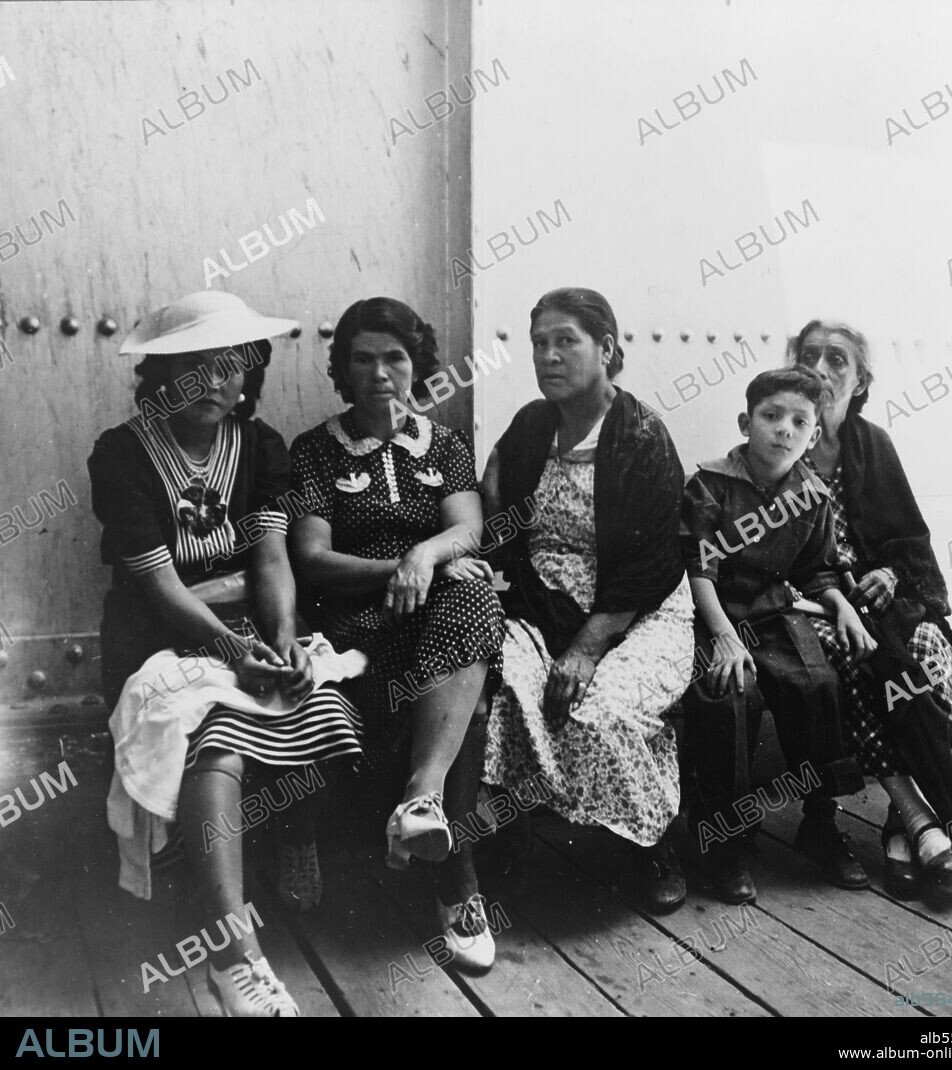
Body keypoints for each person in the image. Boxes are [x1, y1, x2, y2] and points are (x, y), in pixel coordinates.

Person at [90, 291, 364, 1017]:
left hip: (250, 624)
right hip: (160, 633)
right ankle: (233, 955)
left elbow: (273, 559)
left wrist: (279, 639)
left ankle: (294, 830)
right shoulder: (122, 454)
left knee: (312, 689)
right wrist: (234, 650)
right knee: (216, 738)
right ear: (161, 374)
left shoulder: (260, 446)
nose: (217, 382)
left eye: (232, 367)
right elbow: (156, 583)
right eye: (197, 367)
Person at [288, 297, 504, 970]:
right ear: (343, 369)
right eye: (362, 358)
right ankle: (456, 884)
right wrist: (395, 568)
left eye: (395, 357)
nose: (380, 372)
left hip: (435, 615)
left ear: (419, 366)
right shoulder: (316, 451)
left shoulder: (442, 445)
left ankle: (420, 801)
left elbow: (468, 528)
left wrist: (424, 557)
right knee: (461, 701)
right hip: (356, 625)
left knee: (467, 590)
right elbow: (311, 556)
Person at [481, 287, 695, 913]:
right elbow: (500, 503)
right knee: (511, 690)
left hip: (637, 611)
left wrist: (585, 649)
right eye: (539, 343)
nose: (549, 356)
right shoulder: (530, 425)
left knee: (598, 708)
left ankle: (650, 841)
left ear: (606, 348)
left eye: (565, 340)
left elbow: (652, 564)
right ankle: (510, 838)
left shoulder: (642, 436)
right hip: (542, 602)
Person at [789, 320, 952, 897]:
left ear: (860, 379)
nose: (821, 369)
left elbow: (910, 543)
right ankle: (921, 822)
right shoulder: (781, 434)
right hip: (813, 605)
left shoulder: (874, 445)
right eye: (810, 356)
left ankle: (900, 825)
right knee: (856, 659)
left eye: (837, 360)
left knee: (931, 653)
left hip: (877, 601)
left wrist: (891, 573)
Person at [680, 367, 873, 905]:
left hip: (773, 612)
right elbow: (699, 570)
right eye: (771, 416)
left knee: (817, 683)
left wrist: (844, 610)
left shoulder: (811, 495)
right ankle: (728, 842)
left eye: (798, 421)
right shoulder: (711, 483)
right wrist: (721, 635)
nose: (783, 429)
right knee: (728, 695)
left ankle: (818, 822)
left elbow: (819, 571)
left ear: (813, 435)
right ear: (747, 422)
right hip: (714, 612)